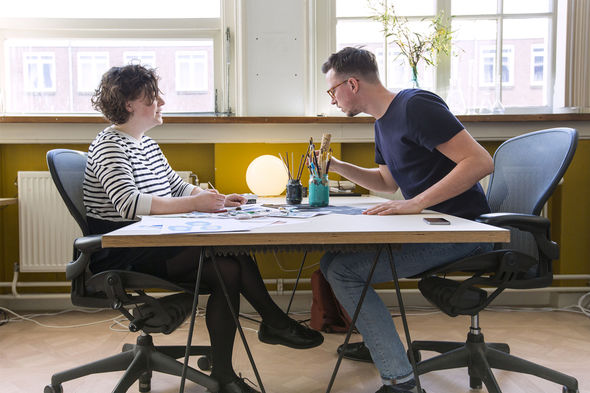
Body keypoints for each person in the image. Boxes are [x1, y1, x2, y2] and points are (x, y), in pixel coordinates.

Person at [84, 64, 323, 393]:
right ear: (129, 104)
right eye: (153, 97)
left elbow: (178, 187)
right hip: (122, 252)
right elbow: (128, 204)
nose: (161, 103)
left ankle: (234, 366)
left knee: (228, 265)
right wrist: (196, 205)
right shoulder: (110, 146)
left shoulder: (145, 145)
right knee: (228, 263)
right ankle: (270, 326)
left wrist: (218, 199)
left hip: (151, 244)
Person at [319, 47, 495, 393]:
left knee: (343, 271)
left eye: (332, 91)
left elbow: (480, 162)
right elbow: (387, 183)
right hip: (434, 227)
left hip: (464, 230)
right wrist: (338, 167)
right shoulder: (382, 123)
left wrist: (416, 203)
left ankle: (400, 381)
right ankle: (381, 344)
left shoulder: (415, 106)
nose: (332, 100)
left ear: (351, 84)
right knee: (331, 262)